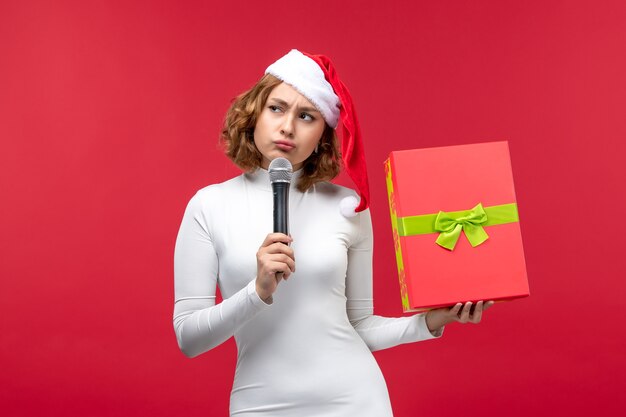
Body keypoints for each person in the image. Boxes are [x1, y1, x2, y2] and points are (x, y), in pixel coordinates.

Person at [173, 49, 494, 417]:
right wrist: (256, 292)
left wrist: (433, 320)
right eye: (276, 108)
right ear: (254, 113)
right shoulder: (209, 206)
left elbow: (360, 326)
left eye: (306, 116)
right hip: (259, 404)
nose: (288, 127)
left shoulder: (349, 207)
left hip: (355, 401)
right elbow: (188, 337)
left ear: (322, 134)